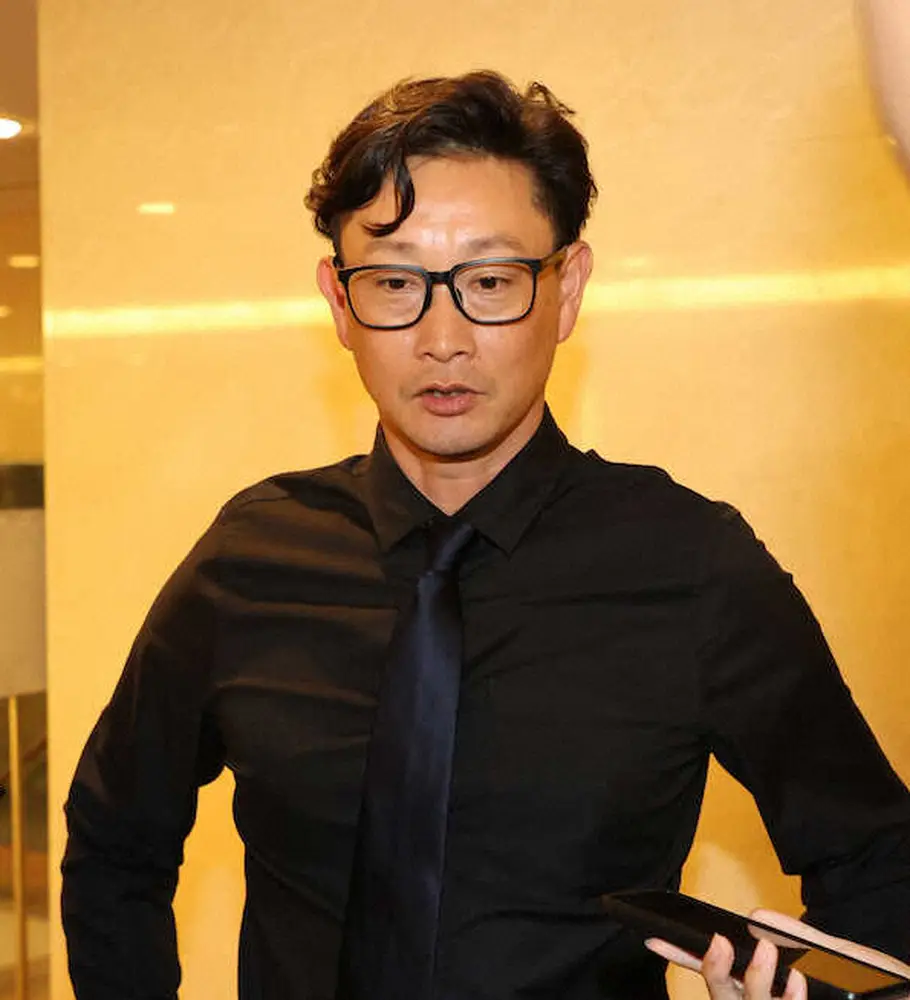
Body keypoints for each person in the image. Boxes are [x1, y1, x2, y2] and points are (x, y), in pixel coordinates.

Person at [61, 71, 910, 1000]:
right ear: (339, 302)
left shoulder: (692, 566)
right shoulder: (248, 561)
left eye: (491, 282)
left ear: (567, 289)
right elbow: (115, 839)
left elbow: (878, 855)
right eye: (394, 283)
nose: (443, 338)